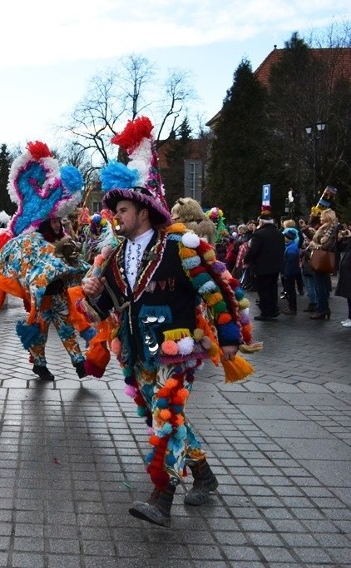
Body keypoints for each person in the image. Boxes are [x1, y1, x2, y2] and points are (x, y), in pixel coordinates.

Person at [79, 116, 252, 528]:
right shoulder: (117, 255)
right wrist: (94, 296)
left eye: (121, 209)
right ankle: (204, 477)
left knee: (166, 418)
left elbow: (216, 290)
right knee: (163, 416)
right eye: (115, 210)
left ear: (143, 208)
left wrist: (229, 334)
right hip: (138, 349)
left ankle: (162, 495)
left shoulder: (179, 246)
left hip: (177, 350)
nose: (116, 217)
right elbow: (114, 305)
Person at [0, 142, 92, 380]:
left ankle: (79, 362)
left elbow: (75, 264)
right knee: (40, 332)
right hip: (40, 297)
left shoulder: (64, 239)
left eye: (58, 221)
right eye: (53, 222)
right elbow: (21, 264)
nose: (57, 225)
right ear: (44, 223)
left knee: (66, 329)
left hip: (58, 294)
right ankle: (39, 364)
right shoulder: (30, 242)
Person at [244, 208, 285, 321]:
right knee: (272, 288)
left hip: (262, 266)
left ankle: (266, 312)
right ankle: (273, 309)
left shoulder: (259, 234)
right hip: (275, 266)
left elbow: (253, 251)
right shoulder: (279, 233)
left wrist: (246, 259)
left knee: (263, 290)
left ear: (261, 222)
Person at [307, 208, 339, 320]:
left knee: (320, 286)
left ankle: (323, 309)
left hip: (322, 259)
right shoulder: (325, 228)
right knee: (320, 285)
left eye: (322, 216)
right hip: (321, 258)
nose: (320, 218)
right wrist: (306, 229)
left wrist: (313, 245)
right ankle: (323, 308)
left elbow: (326, 245)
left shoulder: (331, 229)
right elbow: (316, 239)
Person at [280, 227, 301, 315]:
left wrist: (286, 273)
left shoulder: (291, 248)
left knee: (290, 290)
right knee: (289, 290)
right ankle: (291, 307)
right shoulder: (290, 246)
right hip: (290, 271)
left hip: (290, 272)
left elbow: (290, 263)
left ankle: (292, 308)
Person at [335, 224, 351, 327]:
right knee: (349, 296)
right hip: (347, 270)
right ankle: (350, 317)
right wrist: (340, 239)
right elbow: (341, 247)